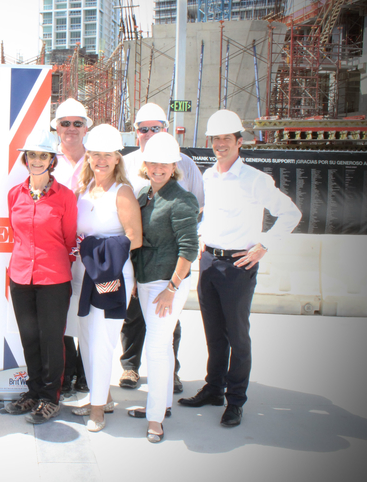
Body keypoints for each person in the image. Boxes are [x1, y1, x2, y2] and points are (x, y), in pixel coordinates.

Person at [178, 110, 301, 427]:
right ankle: (213, 389)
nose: (220, 144)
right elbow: (213, 214)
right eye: (216, 139)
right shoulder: (209, 176)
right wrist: (203, 237)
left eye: (226, 139)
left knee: (237, 337)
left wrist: (263, 245)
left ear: (239, 141)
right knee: (214, 335)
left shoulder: (255, 180)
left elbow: (290, 214)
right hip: (210, 261)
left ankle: (235, 401)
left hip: (237, 265)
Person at [119, 102, 205, 393]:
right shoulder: (128, 164)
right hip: (138, 264)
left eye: (155, 128)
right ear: (136, 133)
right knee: (133, 320)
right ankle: (130, 367)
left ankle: (169, 379)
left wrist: (174, 284)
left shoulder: (186, 166)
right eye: (144, 129)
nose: (149, 133)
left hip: (167, 271)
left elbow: (194, 210)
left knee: (166, 330)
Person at [129, 132, 199, 444]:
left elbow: (189, 249)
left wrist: (172, 287)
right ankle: (164, 403)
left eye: (165, 163)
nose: (158, 168)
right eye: (153, 162)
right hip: (146, 281)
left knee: (156, 347)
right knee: (163, 345)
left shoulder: (182, 200)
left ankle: (155, 418)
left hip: (166, 284)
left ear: (174, 166)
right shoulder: (145, 194)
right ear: (145, 164)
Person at [71, 124, 142, 432]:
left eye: (107, 155)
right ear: (88, 157)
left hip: (111, 274)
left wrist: (95, 247)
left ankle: (97, 410)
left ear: (117, 159)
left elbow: (134, 237)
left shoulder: (122, 191)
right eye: (95, 154)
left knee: (103, 342)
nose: (100, 160)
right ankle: (101, 397)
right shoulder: (82, 192)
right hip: (82, 273)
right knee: (86, 338)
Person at [5, 128, 78, 424]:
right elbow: (16, 234)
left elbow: (69, 238)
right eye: (32, 155)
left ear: (52, 161)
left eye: (43, 155)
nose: (37, 160)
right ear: (26, 159)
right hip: (21, 277)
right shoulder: (14, 195)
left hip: (54, 279)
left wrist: (54, 263)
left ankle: (50, 398)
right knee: (29, 338)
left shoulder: (65, 197)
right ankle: (33, 392)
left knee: (51, 340)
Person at [49, 98, 91, 395]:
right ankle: (68, 370)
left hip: (92, 254)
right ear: (56, 127)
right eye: (66, 123)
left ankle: (89, 372)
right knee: (61, 311)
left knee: (89, 312)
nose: (71, 129)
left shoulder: (100, 159)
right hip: (58, 250)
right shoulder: (47, 160)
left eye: (78, 123)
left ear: (86, 127)